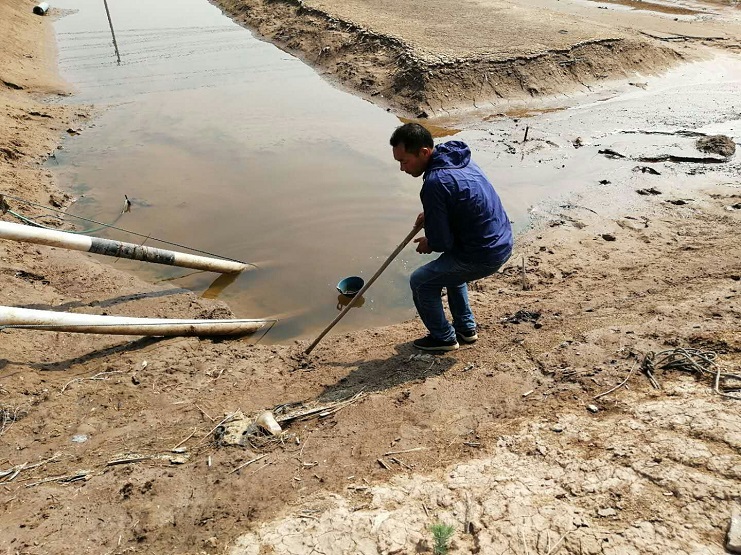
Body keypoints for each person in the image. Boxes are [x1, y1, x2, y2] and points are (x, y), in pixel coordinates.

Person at [390, 122, 513, 351]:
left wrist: (429, 242)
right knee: (450, 269)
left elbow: (441, 242)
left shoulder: (435, 183)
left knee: (420, 281)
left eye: (404, 161)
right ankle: (466, 328)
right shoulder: (456, 158)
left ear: (424, 152)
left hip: (485, 253)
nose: (402, 168)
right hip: (501, 239)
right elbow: (459, 199)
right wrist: (432, 213)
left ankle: (443, 338)